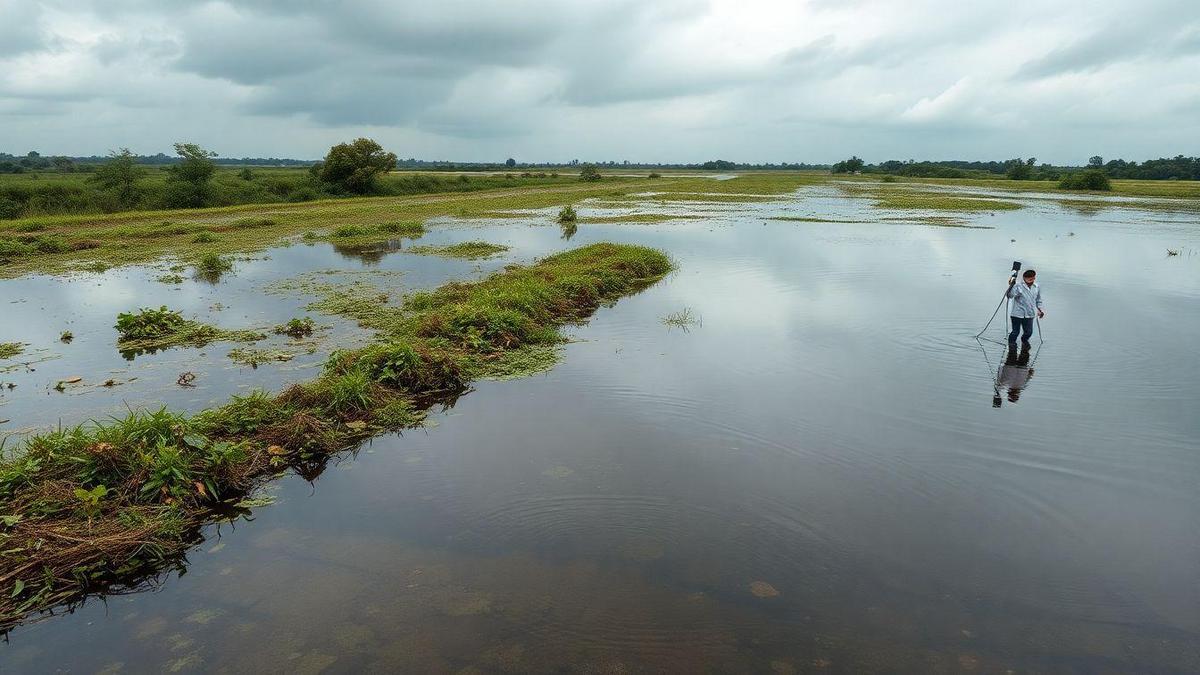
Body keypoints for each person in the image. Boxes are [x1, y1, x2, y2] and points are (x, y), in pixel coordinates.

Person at [1007, 268, 1044, 345]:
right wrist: (1011, 286)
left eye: (1032, 279)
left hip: (1029, 314)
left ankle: (1024, 342)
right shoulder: (1018, 286)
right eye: (1029, 280)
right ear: (1024, 278)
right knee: (1015, 332)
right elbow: (1010, 295)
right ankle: (1011, 345)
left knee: (1028, 332)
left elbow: (1038, 300)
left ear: (1034, 277)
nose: (1031, 281)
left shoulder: (1036, 287)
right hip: (1017, 314)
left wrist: (1040, 310)